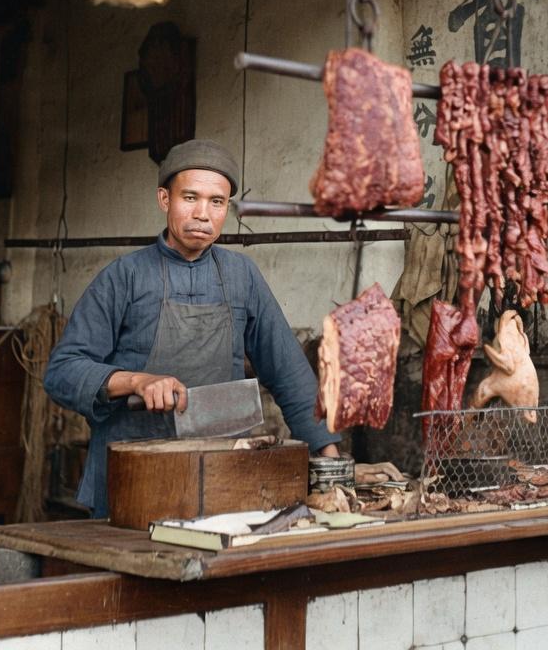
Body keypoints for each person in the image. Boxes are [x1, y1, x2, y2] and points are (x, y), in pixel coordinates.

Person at [44, 138, 341, 517]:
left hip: (222, 477)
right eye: (190, 198)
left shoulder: (242, 276)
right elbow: (62, 371)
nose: (203, 213)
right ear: (164, 200)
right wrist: (136, 381)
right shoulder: (124, 277)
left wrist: (329, 459)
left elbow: (289, 373)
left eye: (216, 202)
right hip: (133, 477)